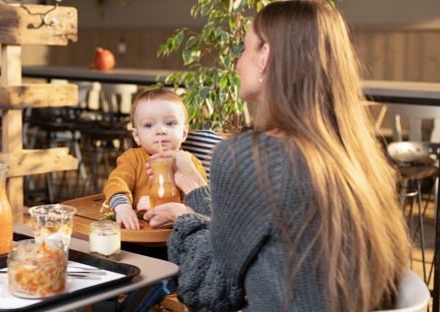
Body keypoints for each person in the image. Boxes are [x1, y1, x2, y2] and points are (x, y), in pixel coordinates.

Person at [143, 1, 410, 311]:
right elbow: (258, 232)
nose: (238, 63)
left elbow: (210, 291)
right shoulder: (358, 157)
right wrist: (194, 189)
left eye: (243, 50)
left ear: (265, 56)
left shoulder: (251, 156)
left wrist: (185, 220)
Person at [102, 88, 207, 230]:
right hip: (138, 231)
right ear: (137, 136)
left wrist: (165, 206)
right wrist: (123, 207)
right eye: (148, 125)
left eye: (170, 123)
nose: (161, 131)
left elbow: (200, 203)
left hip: (177, 233)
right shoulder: (132, 159)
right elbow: (116, 183)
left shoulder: (189, 164)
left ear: (183, 133)